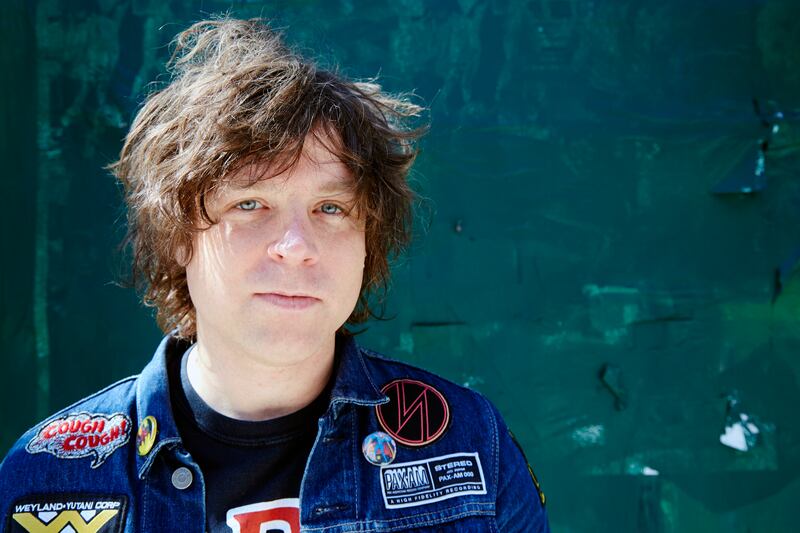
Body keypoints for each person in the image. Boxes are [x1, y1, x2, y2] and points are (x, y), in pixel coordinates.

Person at [0, 16, 550, 533]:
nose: (296, 247)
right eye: (250, 204)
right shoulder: (47, 482)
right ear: (178, 237)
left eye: (330, 208)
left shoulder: (470, 447)